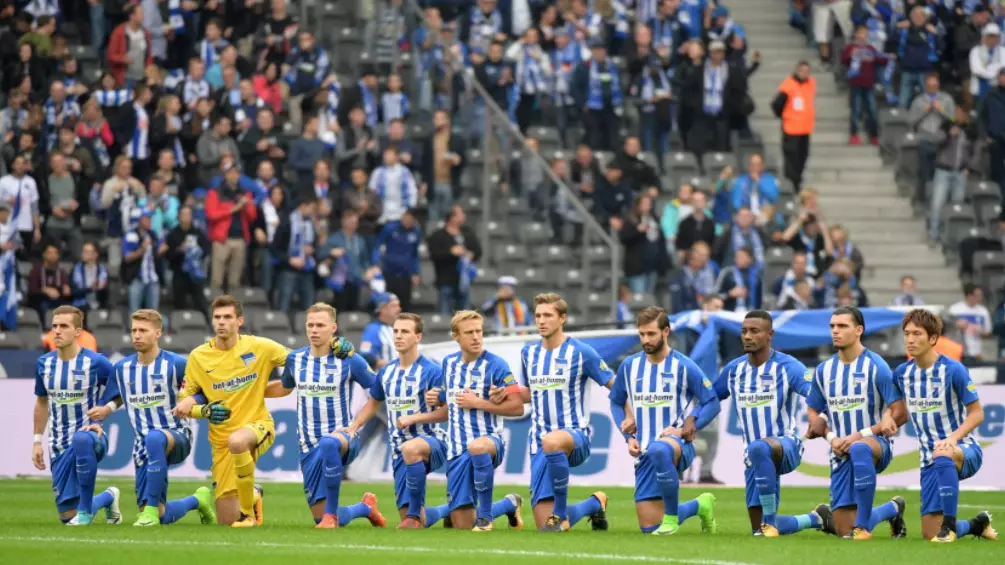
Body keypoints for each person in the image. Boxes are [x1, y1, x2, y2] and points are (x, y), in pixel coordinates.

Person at [87, 310, 215, 527]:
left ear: (158, 333)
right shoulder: (122, 369)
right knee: (162, 516)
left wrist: (190, 401)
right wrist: (105, 413)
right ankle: (198, 500)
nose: (137, 335)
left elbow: (206, 392)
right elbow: (115, 398)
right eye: (134, 330)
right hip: (143, 446)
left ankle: (151, 511)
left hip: (177, 437)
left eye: (143, 331)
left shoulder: (176, 364)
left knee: (156, 439)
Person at [171, 295, 289, 527]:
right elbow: (184, 404)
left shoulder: (261, 347)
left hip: (258, 426)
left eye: (227, 317)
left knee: (238, 441)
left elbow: (298, 360)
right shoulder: (198, 357)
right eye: (217, 317)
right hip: (220, 441)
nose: (221, 322)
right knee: (226, 521)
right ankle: (253, 496)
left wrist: (333, 350)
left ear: (239, 321)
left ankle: (248, 515)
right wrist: (203, 411)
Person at [263, 303, 384, 528]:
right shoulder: (295, 359)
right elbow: (285, 387)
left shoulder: (349, 359)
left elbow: (378, 392)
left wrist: (355, 425)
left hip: (343, 438)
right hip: (308, 446)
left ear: (333, 328)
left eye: (320, 325)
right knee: (320, 515)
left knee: (329, 443)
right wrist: (254, 391)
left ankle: (330, 518)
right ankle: (365, 508)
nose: (314, 330)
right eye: (311, 325)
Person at [713, 310, 830, 536]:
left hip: (786, 446)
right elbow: (710, 400)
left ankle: (769, 523)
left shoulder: (789, 367)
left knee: (759, 447)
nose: (747, 336)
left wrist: (819, 418)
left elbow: (817, 396)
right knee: (758, 530)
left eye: (754, 331)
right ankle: (815, 518)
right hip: (753, 457)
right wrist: (689, 421)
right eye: (744, 331)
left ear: (770, 335)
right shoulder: (734, 370)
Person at [608, 306, 719, 535]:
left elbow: (712, 402)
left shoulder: (684, 365)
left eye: (651, 334)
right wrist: (628, 437)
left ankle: (671, 519)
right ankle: (700, 505)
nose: (646, 340)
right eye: (642, 334)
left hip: (678, 446)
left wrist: (689, 425)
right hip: (645, 451)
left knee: (660, 449)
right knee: (649, 528)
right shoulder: (630, 366)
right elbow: (616, 401)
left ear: (665, 332)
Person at [803, 306, 909, 539]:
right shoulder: (824, 369)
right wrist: (831, 438)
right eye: (832, 326)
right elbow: (813, 410)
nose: (835, 331)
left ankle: (863, 528)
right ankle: (893, 509)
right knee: (843, 531)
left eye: (842, 326)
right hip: (840, 452)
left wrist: (860, 435)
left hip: (874, 446)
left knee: (860, 448)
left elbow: (900, 412)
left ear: (859, 330)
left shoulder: (876, 365)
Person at [894, 309, 998, 542]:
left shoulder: (954, 370)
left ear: (933, 339)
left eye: (917, 334)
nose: (910, 339)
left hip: (963, 449)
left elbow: (977, 413)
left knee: (943, 452)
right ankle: (976, 525)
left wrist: (952, 438)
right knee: (929, 533)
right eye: (907, 333)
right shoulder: (901, 374)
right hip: (929, 459)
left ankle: (949, 528)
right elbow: (897, 414)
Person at [514, 293, 613, 532]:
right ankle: (594, 504)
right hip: (539, 442)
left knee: (553, 440)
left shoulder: (581, 352)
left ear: (562, 319)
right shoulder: (529, 353)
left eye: (548, 315)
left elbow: (615, 386)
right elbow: (533, 393)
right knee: (543, 526)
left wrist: (630, 418)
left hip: (574, 437)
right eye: (538, 315)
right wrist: (502, 394)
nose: (541, 320)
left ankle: (559, 514)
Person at [345, 312, 451, 529]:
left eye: (405, 331)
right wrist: (353, 426)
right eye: (396, 331)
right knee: (415, 519)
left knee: (412, 449)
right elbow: (373, 403)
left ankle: (413, 517)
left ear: (418, 337)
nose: (399, 336)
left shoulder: (432, 371)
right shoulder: (387, 371)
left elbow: (447, 412)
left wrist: (415, 417)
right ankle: (449, 510)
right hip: (399, 449)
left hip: (431, 441)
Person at [425, 310, 525, 531]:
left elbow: (517, 407)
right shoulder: (448, 364)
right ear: (456, 336)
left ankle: (486, 518)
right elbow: (449, 397)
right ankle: (509, 504)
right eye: (469, 332)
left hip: (489, 441)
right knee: (463, 526)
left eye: (479, 331)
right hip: (456, 449)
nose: (476, 337)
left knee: (477, 446)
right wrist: (437, 396)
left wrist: (478, 403)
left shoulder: (496, 365)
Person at [31, 305, 122, 525]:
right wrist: (36, 441)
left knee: (82, 439)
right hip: (58, 444)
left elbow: (120, 392)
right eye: (54, 326)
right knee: (66, 518)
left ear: (78, 332)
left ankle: (85, 512)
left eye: (64, 326)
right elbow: (42, 402)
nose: (57, 331)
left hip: (91, 437)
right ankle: (109, 497)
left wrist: (105, 410)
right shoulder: (44, 364)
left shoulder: (96, 362)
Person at [771, 61, 815, 192]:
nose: (804, 74)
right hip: (791, 129)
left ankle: (797, 181)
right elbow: (776, 105)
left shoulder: (811, 83)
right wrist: (786, 117)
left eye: (807, 71)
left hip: (805, 129)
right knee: (791, 159)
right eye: (802, 71)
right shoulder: (788, 85)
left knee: (803, 157)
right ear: (796, 71)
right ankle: (790, 185)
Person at [360, 293, 401, 371]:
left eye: (398, 305)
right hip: (383, 379)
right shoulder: (373, 329)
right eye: (394, 306)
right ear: (382, 308)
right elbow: (366, 356)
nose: (399, 309)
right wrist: (394, 367)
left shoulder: (393, 329)